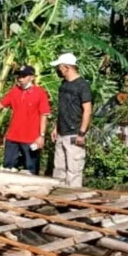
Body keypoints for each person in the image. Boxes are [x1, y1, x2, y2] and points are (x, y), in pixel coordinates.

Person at [0, 65, 50, 174]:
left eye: (24, 76)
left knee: (31, 171)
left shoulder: (40, 93)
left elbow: (44, 115)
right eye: (19, 76)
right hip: (13, 137)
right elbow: (0, 105)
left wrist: (41, 136)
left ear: (32, 77)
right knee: (8, 169)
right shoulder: (14, 91)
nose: (20, 79)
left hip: (31, 139)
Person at [50, 53, 92, 187]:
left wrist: (81, 133)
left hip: (74, 133)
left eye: (59, 67)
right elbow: (62, 109)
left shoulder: (83, 85)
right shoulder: (63, 85)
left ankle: (73, 201)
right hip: (62, 133)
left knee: (74, 170)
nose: (58, 70)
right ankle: (58, 199)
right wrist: (56, 127)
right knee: (59, 169)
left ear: (66, 67)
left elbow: (87, 110)